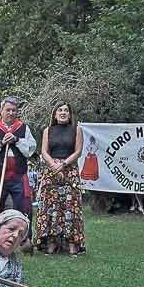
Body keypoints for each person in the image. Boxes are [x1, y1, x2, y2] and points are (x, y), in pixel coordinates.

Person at [0, 98, 37, 229]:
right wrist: (1, 143)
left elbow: (31, 148)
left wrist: (16, 139)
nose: (11, 113)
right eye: (8, 110)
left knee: (23, 208)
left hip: (18, 176)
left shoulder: (23, 128)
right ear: (1, 111)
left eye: (14, 110)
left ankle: (23, 239)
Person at [36, 103, 86, 254]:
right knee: (50, 206)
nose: (63, 113)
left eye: (66, 110)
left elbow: (78, 151)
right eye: (60, 110)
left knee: (71, 206)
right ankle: (51, 242)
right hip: (51, 171)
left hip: (69, 170)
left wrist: (63, 164)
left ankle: (72, 243)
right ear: (55, 114)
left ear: (70, 114)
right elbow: (44, 151)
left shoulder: (76, 129)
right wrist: (53, 165)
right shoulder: (48, 130)